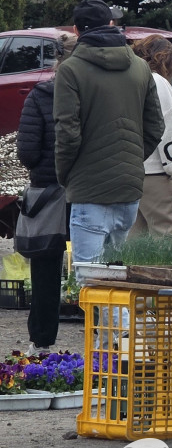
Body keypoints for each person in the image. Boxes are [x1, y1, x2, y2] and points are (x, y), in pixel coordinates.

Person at [54, 0, 163, 272]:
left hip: (89, 189)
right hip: (128, 188)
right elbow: (155, 127)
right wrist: (131, 159)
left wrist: (65, 174)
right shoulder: (140, 67)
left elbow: (67, 131)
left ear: (77, 30)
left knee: (91, 283)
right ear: (111, 24)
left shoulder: (70, 70)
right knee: (116, 281)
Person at [16, 33, 76, 353]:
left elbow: (26, 151)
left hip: (48, 188)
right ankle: (106, 339)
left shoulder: (40, 94)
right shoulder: (90, 93)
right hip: (86, 187)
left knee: (45, 266)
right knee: (98, 263)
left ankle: (42, 340)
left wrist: (43, 168)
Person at [129, 35, 172, 239]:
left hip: (127, 173)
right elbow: (170, 129)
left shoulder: (128, 80)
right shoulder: (157, 81)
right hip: (156, 173)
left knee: (134, 242)